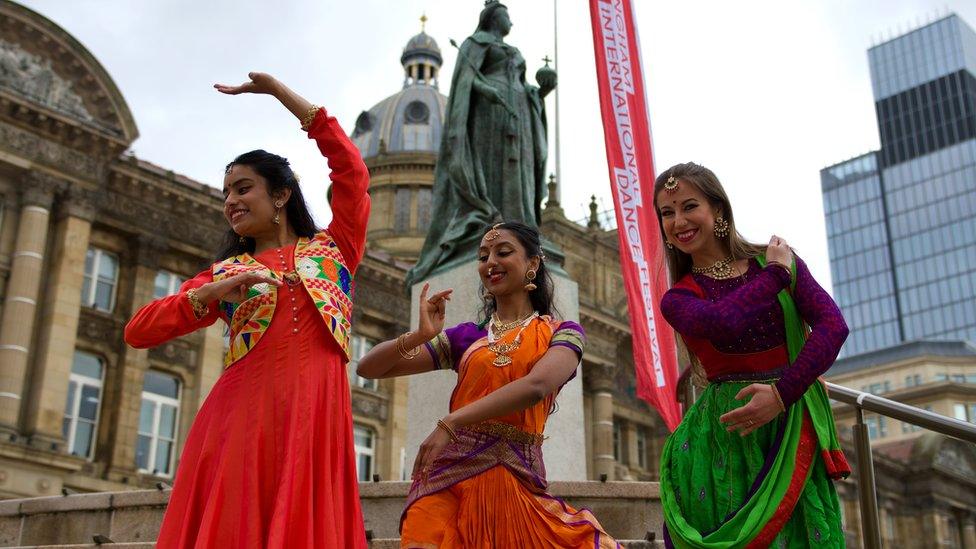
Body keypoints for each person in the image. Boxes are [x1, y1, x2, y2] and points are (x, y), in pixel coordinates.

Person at [124, 72, 369, 549]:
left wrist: (282, 94)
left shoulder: (336, 249)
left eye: (242, 189)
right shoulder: (227, 272)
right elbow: (138, 331)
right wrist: (215, 293)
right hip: (243, 420)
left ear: (280, 195)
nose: (231, 202)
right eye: (226, 195)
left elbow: (352, 172)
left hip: (318, 417)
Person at [357, 222, 619, 548]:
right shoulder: (468, 337)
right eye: (483, 256)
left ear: (533, 264)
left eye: (503, 252)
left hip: (517, 477)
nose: (490, 262)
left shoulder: (562, 332)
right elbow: (369, 368)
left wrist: (452, 421)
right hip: (447, 479)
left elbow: (537, 385)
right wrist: (419, 335)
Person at [653, 162, 851, 548]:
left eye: (689, 206)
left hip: (789, 424)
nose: (678, 221)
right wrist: (776, 276)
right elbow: (722, 322)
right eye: (667, 212)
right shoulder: (678, 298)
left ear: (719, 210)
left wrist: (781, 395)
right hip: (723, 439)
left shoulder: (774, 260)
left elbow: (833, 327)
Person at [405, 0, 556, 288]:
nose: (510, 22)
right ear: (494, 18)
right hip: (489, 116)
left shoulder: (511, 51)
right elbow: (466, 81)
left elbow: (524, 86)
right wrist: (487, 90)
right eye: (506, 16)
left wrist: (541, 92)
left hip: (518, 115)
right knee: (492, 171)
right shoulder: (476, 42)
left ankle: (519, 227)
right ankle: (491, 216)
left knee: (518, 177)